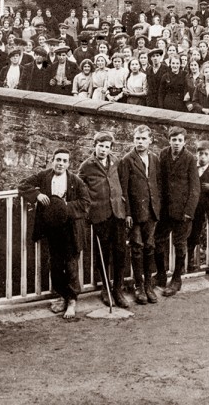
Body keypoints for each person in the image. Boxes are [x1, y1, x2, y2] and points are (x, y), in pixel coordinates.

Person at [20, 148, 89, 319]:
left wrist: (65, 207)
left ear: (68, 164)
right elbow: (22, 185)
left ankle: (72, 301)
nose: (61, 163)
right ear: (52, 160)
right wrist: (37, 194)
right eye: (58, 160)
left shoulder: (75, 181)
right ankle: (64, 296)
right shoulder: (44, 176)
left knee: (71, 264)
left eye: (65, 161)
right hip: (52, 228)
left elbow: (85, 203)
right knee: (55, 265)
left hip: (70, 228)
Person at [77, 131, 130, 308]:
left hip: (118, 213)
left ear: (110, 148)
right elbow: (80, 189)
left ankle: (118, 289)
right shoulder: (87, 166)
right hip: (100, 215)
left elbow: (123, 184)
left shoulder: (116, 161)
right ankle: (105, 288)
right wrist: (88, 209)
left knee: (120, 252)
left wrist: (125, 208)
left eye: (107, 147)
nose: (103, 150)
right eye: (100, 146)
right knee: (103, 253)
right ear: (95, 146)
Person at [118, 125, 162, 305]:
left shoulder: (154, 159)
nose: (140, 142)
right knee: (137, 247)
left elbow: (157, 184)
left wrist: (158, 207)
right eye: (137, 139)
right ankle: (138, 285)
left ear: (150, 140)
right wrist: (127, 213)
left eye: (144, 139)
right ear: (133, 140)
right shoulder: (127, 160)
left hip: (151, 211)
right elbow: (124, 189)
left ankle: (149, 285)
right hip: (135, 213)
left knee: (150, 247)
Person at [155, 126, 201, 296]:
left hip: (182, 211)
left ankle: (176, 279)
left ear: (184, 142)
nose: (176, 143)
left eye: (180, 140)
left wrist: (189, 211)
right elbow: (160, 180)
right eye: (173, 140)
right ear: (169, 140)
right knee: (158, 240)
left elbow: (195, 187)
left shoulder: (189, 159)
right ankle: (160, 274)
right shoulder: (163, 154)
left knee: (180, 245)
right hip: (165, 209)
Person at [187, 140, 209, 274]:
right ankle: (187, 262)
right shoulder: (192, 167)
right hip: (193, 207)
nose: (203, 157)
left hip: (207, 208)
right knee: (189, 235)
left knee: (202, 234)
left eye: (206, 154)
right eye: (200, 154)